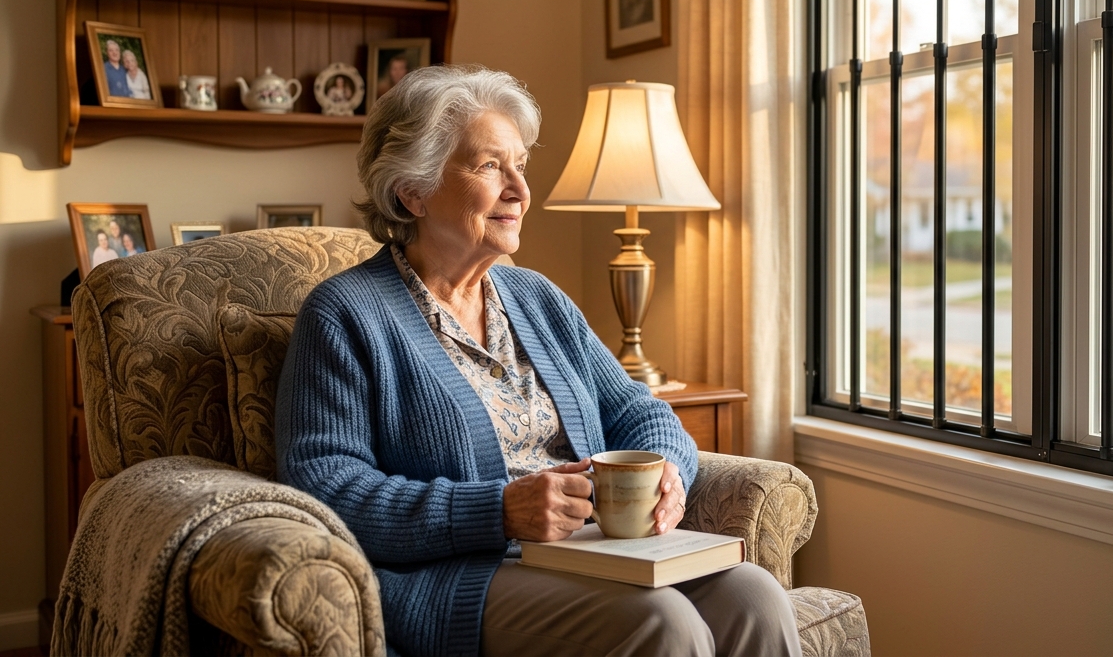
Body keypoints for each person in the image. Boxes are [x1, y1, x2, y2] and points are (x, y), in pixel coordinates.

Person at [277, 65, 800, 657]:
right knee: (662, 622)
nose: (520, 190)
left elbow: (640, 412)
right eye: (489, 166)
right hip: (461, 575)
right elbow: (325, 485)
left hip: (596, 552)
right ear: (412, 190)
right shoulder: (345, 314)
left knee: (755, 595)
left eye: (520, 165)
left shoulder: (536, 297)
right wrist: (497, 511)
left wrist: (669, 473)